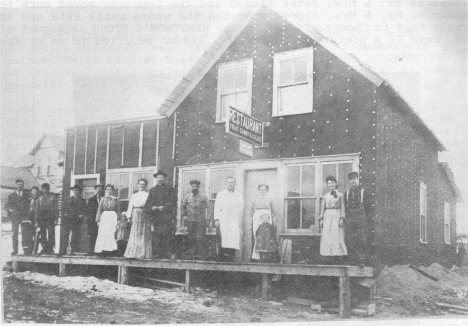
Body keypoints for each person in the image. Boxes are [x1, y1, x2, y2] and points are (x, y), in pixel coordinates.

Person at [144, 170, 175, 259]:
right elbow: (148, 203)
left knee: (166, 234)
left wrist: (164, 207)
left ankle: (166, 254)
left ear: (164, 178)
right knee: (157, 235)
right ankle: (157, 254)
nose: (159, 179)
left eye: (161, 177)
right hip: (156, 216)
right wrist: (152, 207)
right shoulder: (152, 190)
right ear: (156, 179)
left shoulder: (169, 189)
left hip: (166, 216)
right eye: (158, 177)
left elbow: (172, 201)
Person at [180, 180, 212, 260]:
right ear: (191, 187)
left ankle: (202, 256)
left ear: (198, 187)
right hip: (190, 221)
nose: (194, 188)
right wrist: (183, 215)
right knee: (190, 238)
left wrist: (208, 219)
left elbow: (210, 208)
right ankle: (191, 255)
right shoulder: (187, 197)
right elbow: (182, 206)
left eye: (196, 186)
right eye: (193, 186)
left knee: (201, 238)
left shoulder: (203, 196)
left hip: (200, 221)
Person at [214, 177, 244, 262]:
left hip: (233, 219)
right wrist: (216, 219)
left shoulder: (238, 195)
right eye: (229, 182)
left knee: (233, 237)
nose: (230, 184)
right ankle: (223, 257)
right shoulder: (221, 194)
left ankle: (231, 257)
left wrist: (234, 212)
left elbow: (241, 207)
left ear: (235, 184)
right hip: (223, 219)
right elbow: (217, 207)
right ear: (226, 183)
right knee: (224, 237)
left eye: (232, 182)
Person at [344, 172, 371, 267]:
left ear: (358, 179)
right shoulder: (346, 194)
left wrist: (362, 217)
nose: (353, 181)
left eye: (355, 179)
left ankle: (361, 261)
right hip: (350, 219)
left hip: (360, 219)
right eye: (351, 179)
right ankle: (352, 260)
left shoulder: (364, 192)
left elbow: (368, 208)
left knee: (361, 239)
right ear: (349, 181)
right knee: (350, 240)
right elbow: (345, 208)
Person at [319, 176, 347, 263]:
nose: (331, 185)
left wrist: (342, 218)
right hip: (327, 216)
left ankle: (337, 256)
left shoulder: (340, 195)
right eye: (329, 183)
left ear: (335, 183)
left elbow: (343, 207)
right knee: (327, 235)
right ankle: (327, 255)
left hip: (336, 215)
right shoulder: (325, 196)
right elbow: (323, 209)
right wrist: (321, 219)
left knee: (336, 235)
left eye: (332, 183)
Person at [124, 178, 152, 259]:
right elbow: (130, 206)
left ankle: (142, 253)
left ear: (145, 185)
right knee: (135, 232)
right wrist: (128, 217)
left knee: (143, 233)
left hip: (144, 213)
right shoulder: (134, 195)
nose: (142, 185)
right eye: (140, 184)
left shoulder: (147, 195)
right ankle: (133, 253)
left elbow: (149, 206)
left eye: (143, 184)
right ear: (138, 185)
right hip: (135, 212)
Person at [58, 184, 87, 256]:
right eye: (74, 190)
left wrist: (82, 215)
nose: (75, 192)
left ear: (79, 192)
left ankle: (73, 250)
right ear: (72, 191)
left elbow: (85, 210)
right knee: (65, 235)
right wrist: (64, 214)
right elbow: (62, 209)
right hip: (67, 220)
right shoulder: (68, 200)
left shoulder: (82, 201)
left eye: (77, 190)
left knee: (75, 235)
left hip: (76, 220)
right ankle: (63, 250)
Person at [250, 184, 276, 260]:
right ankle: (257, 255)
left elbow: (273, 211)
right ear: (258, 190)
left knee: (267, 234)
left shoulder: (270, 199)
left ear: (267, 191)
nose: (263, 191)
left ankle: (267, 254)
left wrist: (269, 217)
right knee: (257, 234)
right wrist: (255, 216)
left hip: (267, 216)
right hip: (257, 217)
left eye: (264, 189)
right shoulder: (254, 199)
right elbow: (251, 211)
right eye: (261, 189)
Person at [5, 179, 30, 255]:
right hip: (15, 217)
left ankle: (25, 249)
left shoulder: (27, 195)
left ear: (23, 185)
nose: (20, 185)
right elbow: (7, 205)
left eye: (21, 184)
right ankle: (15, 250)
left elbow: (29, 205)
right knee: (14, 233)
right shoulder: (11, 196)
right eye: (18, 184)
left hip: (24, 217)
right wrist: (11, 210)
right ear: (16, 185)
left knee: (25, 233)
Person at [95, 184, 121, 257]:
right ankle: (102, 250)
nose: (109, 191)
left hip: (113, 217)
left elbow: (118, 210)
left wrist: (118, 220)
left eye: (110, 189)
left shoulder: (116, 199)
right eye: (107, 189)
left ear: (112, 190)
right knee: (103, 233)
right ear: (105, 190)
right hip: (105, 217)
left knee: (112, 233)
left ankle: (111, 250)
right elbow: (99, 210)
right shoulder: (103, 199)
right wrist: (98, 220)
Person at [36, 183, 59, 255]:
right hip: (42, 219)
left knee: (51, 234)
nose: (46, 190)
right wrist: (37, 220)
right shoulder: (39, 199)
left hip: (50, 219)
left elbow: (56, 209)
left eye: (47, 189)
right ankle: (44, 248)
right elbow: (37, 210)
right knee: (43, 234)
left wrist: (56, 219)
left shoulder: (53, 198)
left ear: (49, 189)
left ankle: (50, 249)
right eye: (44, 189)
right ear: (42, 190)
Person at [86, 183, 104, 255]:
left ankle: (100, 252)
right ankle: (91, 251)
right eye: (98, 189)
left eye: (100, 188)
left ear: (102, 190)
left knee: (102, 236)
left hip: (103, 221)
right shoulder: (91, 200)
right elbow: (89, 212)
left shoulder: (105, 199)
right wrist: (91, 221)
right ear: (96, 189)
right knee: (93, 236)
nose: (99, 190)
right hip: (93, 222)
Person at [23, 186, 40, 255]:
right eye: (33, 191)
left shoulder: (39, 200)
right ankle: (28, 250)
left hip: (37, 220)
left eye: (36, 191)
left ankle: (35, 250)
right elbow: (25, 210)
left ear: (38, 193)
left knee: (36, 235)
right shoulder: (28, 201)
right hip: (28, 221)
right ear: (31, 193)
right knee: (28, 236)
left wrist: (37, 220)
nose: (34, 193)